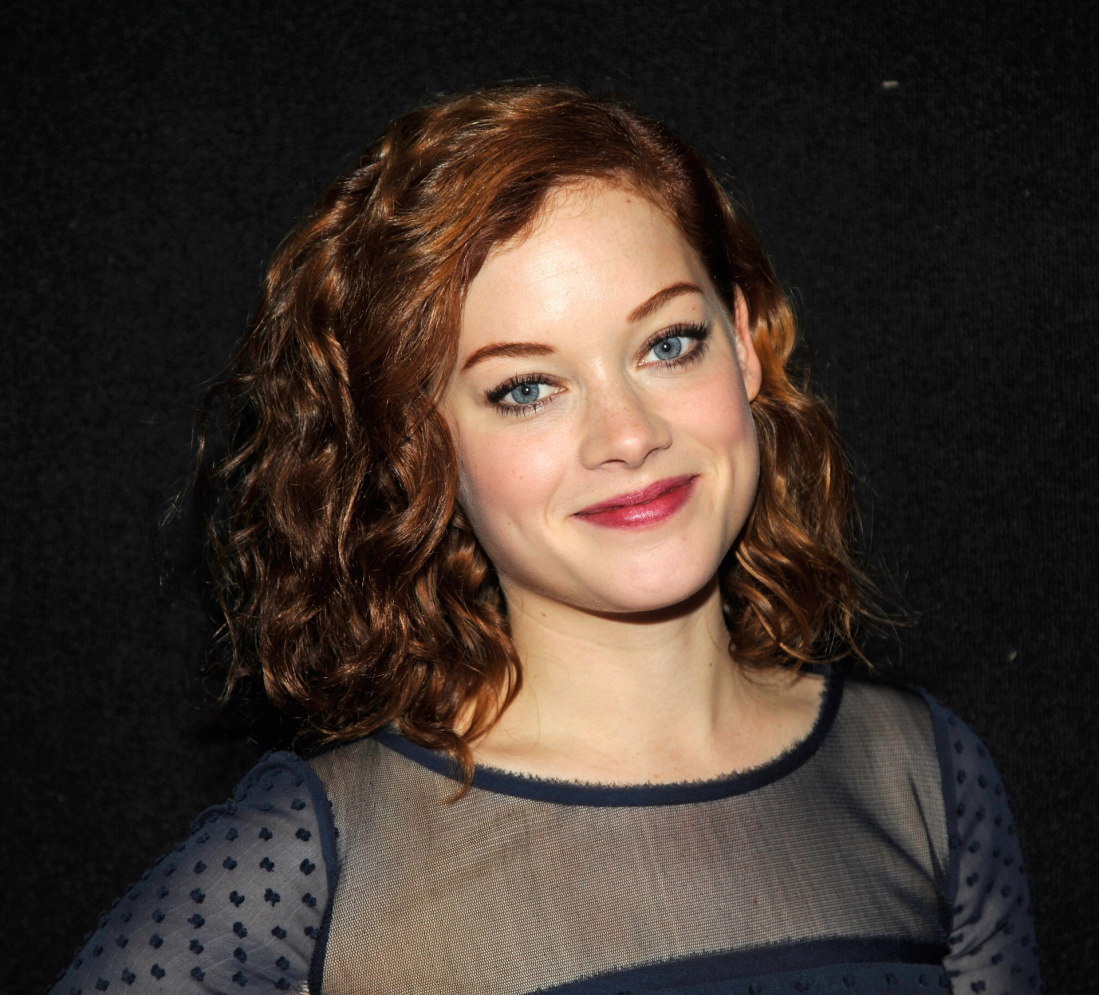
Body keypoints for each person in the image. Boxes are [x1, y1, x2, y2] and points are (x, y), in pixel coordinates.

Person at [51, 83, 1040, 995]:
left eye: (668, 343)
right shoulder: (327, 854)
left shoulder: (921, 779)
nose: (628, 434)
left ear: (742, 343)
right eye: (526, 388)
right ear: (419, 448)